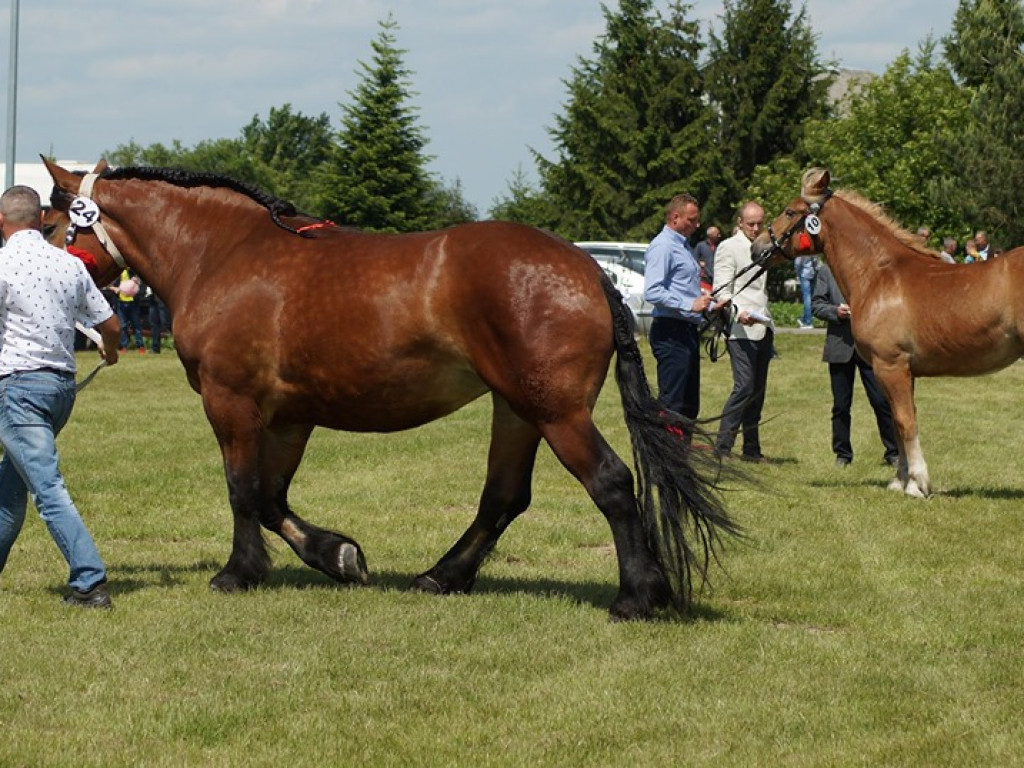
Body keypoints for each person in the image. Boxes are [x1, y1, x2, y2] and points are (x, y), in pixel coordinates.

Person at [0, 185, 122, 608]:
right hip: (60, 392)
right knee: (11, 486)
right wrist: (110, 352)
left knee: (46, 487)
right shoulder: (68, 264)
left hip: (19, 389)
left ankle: (89, 582)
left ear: (2, 223)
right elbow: (111, 325)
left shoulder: (2, 264)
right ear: (40, 220)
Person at [643, 194, 723, 422]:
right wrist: (689, 304)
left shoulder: (684, 246)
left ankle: (681, 455)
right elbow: (653, 291)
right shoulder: (662, 246)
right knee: (672, 405)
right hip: (670, 332)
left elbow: (685, 289)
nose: (697, 225)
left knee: (689, 406)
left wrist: (711, 303)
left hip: (686, 331)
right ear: (675, 217)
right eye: (692, 219)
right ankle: (665, 456)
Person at [811, 261, 899, 468]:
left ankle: (894, 452)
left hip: (870, 346)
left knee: (881, 401)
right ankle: (842, 454)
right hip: (840, 345)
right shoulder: (826, 270)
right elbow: (816, 304)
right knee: (841, 405)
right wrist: (835, 312)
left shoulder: (871, 268)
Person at [712, 201, 773, 463]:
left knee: (757, 391)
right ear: (739, 223)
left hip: (763, 324)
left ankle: (751, 450)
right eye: (751, 224)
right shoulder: (728, 247)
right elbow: (721, 290)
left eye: (760, 222)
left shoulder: (764, 245)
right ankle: (722, 447)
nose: (756, 227)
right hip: (740, 327)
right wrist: (738, 313)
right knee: (744, 386)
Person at [114, 268, 145, 352]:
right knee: (123, 326)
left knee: (136, 326)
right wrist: (115, 289)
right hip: (121, 302)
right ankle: (124, 346)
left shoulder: (135, 272)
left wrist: (137, 282)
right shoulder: (119, 272)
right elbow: (114, 285)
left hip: (133, 303)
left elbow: (141, 285)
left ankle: (140, 346)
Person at [793, 254, 818, 328]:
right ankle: (805, 319)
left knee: (807, 298)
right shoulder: (812, 251)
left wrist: (797, 274)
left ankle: (808, 322)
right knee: (811, 296)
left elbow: (797, 263)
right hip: (812, 273)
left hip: (804, 274)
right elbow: (816, 262)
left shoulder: (802, 252)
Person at [147, 285, 171, 354]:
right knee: (154, 323)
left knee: (165, 323)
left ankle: (177, 344)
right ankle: (155, 347)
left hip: (162, 296)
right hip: (152, 297)